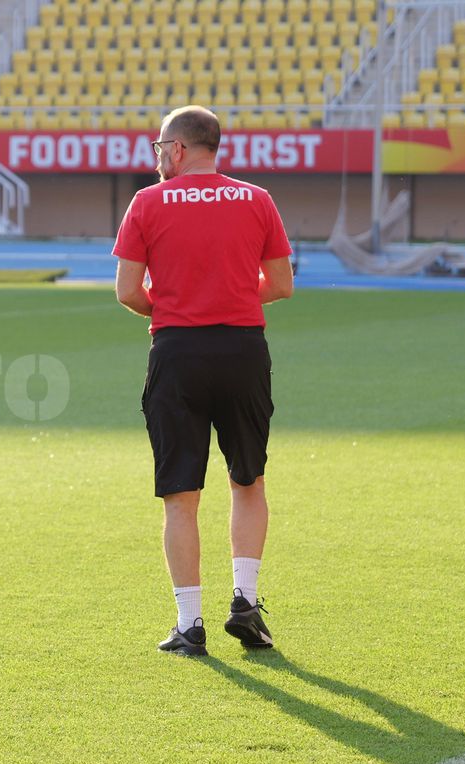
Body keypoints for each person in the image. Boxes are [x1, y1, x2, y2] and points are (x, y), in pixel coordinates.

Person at [112, 105, 294, 657]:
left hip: (177, 352)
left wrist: (171, 307)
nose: (158, 157)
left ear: (177, 148)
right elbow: (282, 283)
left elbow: (126, 290)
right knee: (248, 481)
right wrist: (230, 296)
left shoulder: (147, 201)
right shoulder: (256, 198)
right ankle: (245, 601)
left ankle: (190, 626)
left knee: (180, 495)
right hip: (242, 349)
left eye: (159, 148)